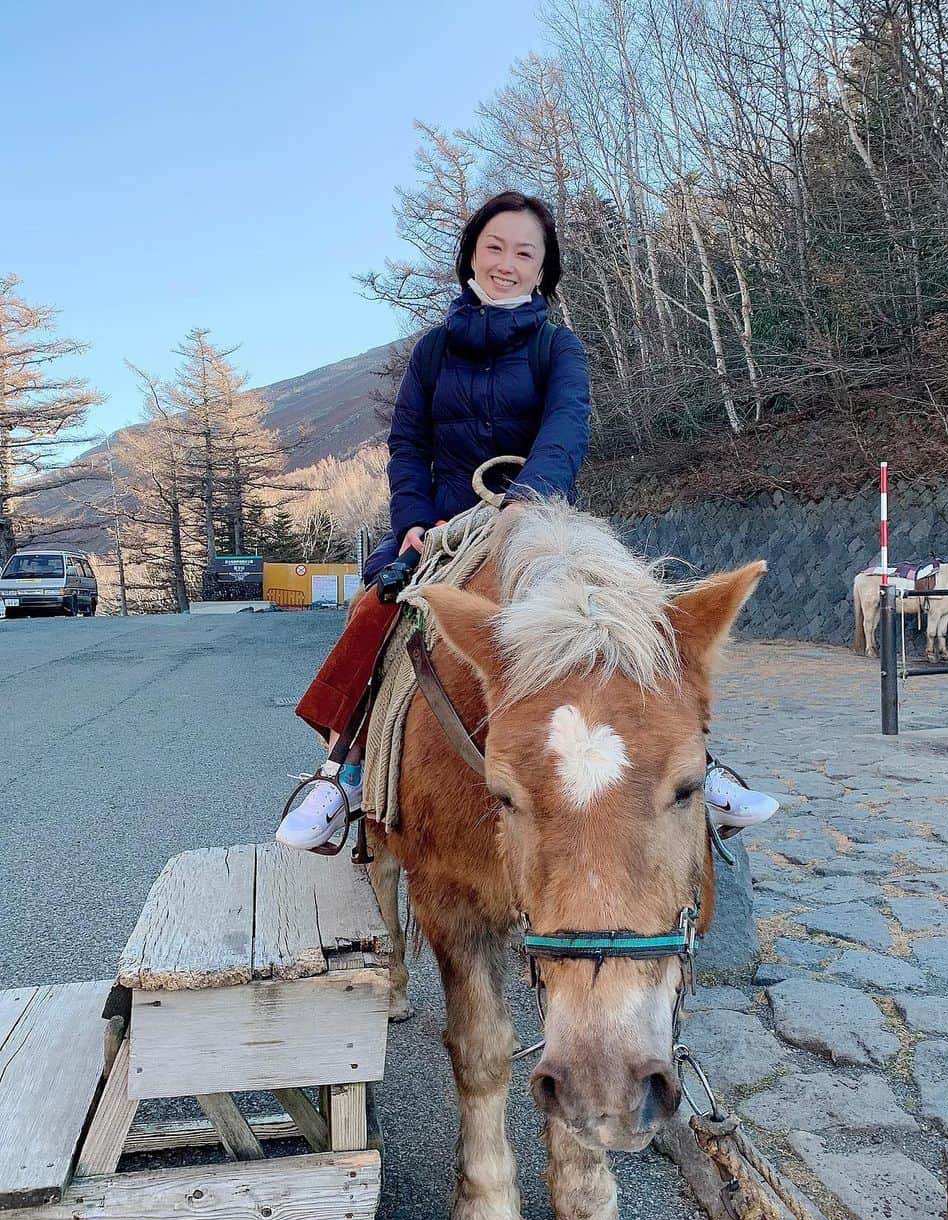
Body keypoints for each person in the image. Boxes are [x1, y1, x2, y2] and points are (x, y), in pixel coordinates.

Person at [276, 189, 778, 850]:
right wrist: (414, 521)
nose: (506, 262)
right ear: (471, 258)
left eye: (524, 252)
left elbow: (567, 429)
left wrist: (527, 497)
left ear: (543, 270)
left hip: (539, 512)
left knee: (627, 615)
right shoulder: (431, 353)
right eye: (494, 247)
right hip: (447, 522)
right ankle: (344, 770)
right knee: (375, 608)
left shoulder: (557, 348)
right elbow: (408, 446)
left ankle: (695, 768)